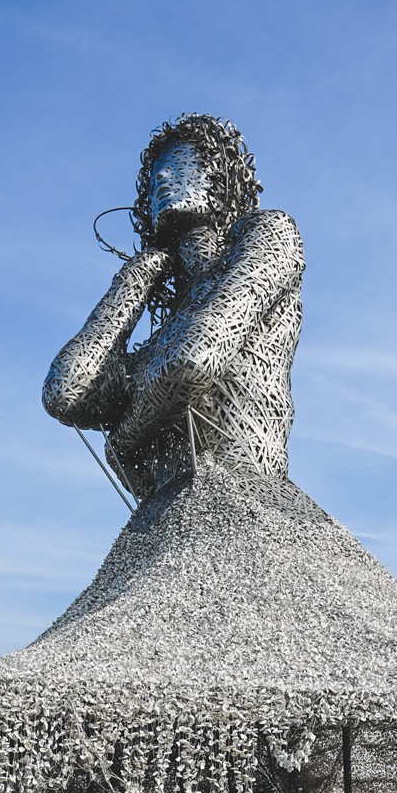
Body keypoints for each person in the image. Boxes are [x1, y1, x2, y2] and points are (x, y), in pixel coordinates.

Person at [43, 114, 305, 502]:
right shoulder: (158, 343)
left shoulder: (270, 232)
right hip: (169, 514)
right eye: (154, 180)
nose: (163, 179)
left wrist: (125, 436)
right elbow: (65, 393)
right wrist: (134, 280)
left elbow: (191, 361)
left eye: (181, 165)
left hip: (248, 497)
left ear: (219, 179)